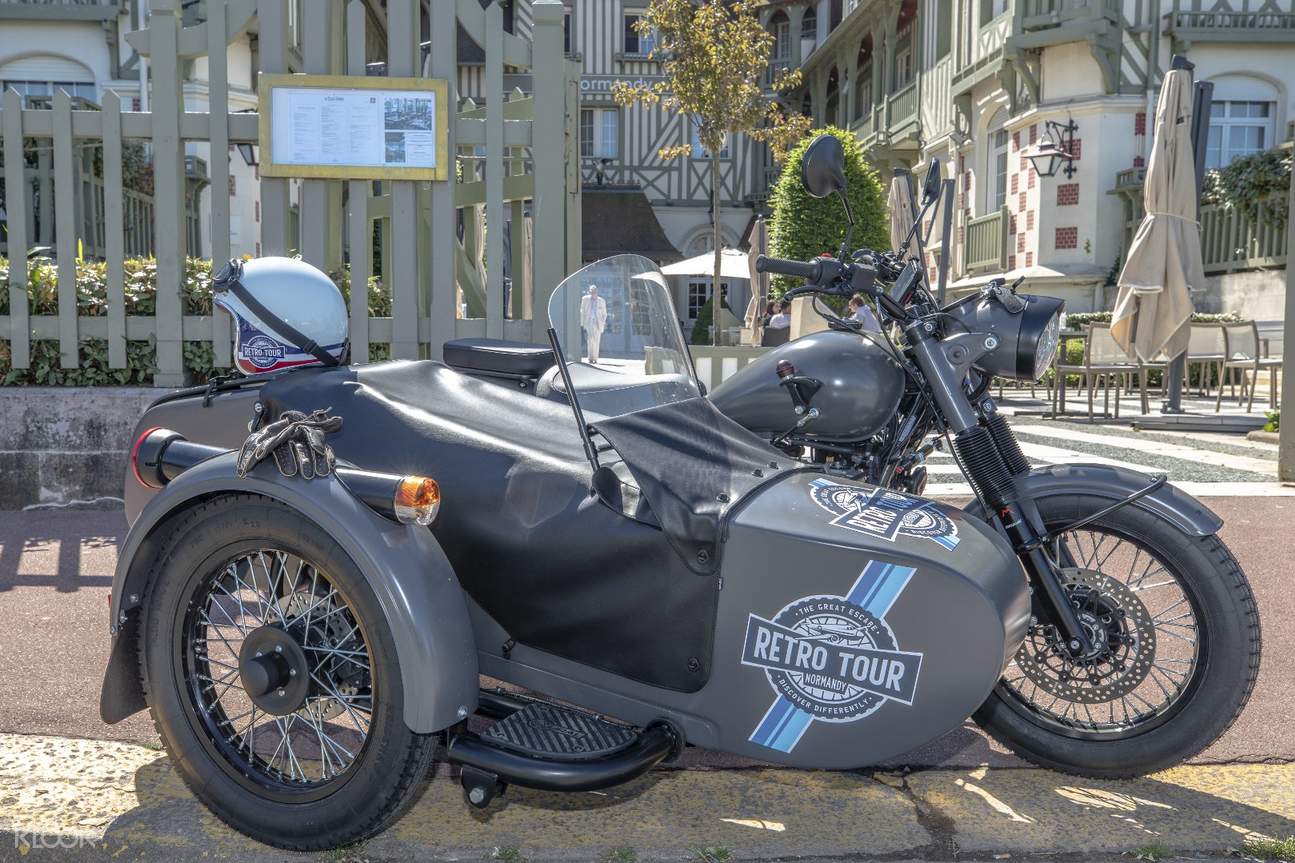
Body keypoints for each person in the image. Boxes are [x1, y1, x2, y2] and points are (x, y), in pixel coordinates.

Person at [580, 285, 607, 363]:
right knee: (590, 340)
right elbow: (582, 311)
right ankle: (590, 358)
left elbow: (604, 313)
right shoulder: (585, 299)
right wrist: (582, 323)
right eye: (591, 291)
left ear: (597, 292)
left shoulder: (601, 300)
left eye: (594, 291)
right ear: (589, 292)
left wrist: (602, 322)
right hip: (589, 322)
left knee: (596, 340)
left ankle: (595, 358)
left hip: (598, 323)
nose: (593, 293)